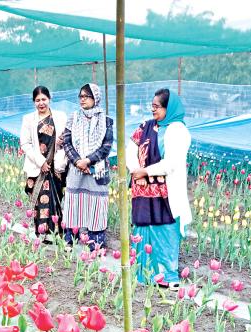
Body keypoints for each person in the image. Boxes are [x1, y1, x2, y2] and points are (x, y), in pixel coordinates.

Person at [127, 88, 192, 290]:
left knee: (164, 229)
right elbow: (131, 149)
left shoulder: (177, 130)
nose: (153, 110)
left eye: (157, 107)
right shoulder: (145, 126)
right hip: (142, 189)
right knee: (143, 228)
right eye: (152, 106)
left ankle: (165, 275)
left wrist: (145, 171)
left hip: (166, 192)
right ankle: (142, 272)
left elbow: (171, 163)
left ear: (168, 107)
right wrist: (135, 171)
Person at [60, 83, 113, 250]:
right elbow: (67, 143)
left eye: (86, 96)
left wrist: (88, 161)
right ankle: (71, 239)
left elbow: (106, 146)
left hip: (96, 170)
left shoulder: (105, 121)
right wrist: (77, 161)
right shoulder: (73, 118)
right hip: (76, 170)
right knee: (74, 202)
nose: (82, 99)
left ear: (95, 98)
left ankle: (96, 242)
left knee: (97, 204)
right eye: (80, 96)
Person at [20, 86, 68, 239]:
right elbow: (25, 144)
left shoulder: (60, 117)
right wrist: (41, 162)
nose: (41, 103)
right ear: (34, 102)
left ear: (49, 99)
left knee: (55, 200)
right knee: (40, 201)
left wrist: (62, 140)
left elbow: (67, 137)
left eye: (44, 99)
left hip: (56, 167)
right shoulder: (28, 119)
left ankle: (55, 234)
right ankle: (41, 233)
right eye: (37, 100)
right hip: (37, 167)